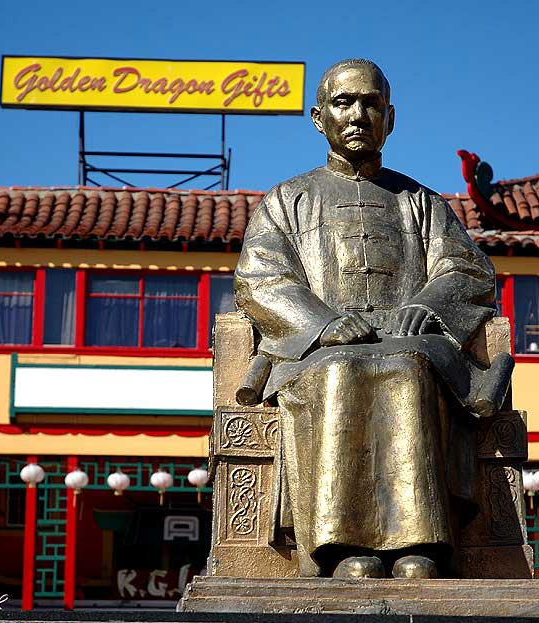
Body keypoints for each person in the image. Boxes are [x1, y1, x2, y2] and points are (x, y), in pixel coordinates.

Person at [234, 59, 512, 579]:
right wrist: (320, 323)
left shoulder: (421, 202)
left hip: (410, 346)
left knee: (408, 370)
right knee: (341, 371)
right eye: (344, 103)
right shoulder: (285, 200)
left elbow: (469, 272)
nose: (358, 114)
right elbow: (260, 279)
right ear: (319, 117)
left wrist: (425, 307)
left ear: (390, 117)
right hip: (316, 353)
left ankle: (418, 542)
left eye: (370, 103)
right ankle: (338, 545)